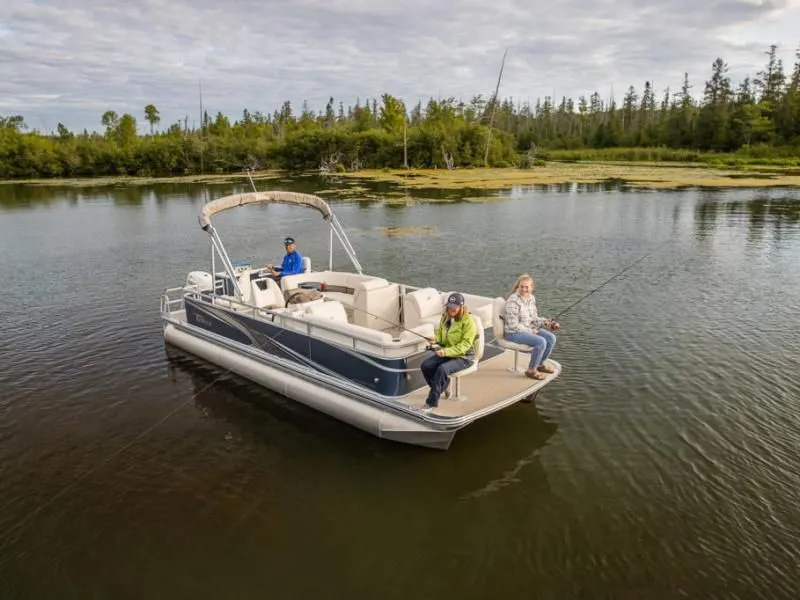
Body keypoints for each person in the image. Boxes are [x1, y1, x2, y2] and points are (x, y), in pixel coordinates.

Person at [417, 292, 477, 412]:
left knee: (442, 369)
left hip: (464, 357)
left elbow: (465, 345)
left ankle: (431, 403)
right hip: (449, 352)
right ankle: (443, 388)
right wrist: (436, 339)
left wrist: (445, 352)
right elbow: (441, 335)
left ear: (461, 307)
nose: (451, 309)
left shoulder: (469, 321)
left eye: (455, 307)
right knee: (426, 366)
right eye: (449, 306)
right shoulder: (445, 317)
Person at [502, 273, 557, 380]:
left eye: (526, 287)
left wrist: (544, 322)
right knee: (541, 342)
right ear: (518, 286)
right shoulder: (512, 301)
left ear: (531, 288)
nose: (524, 289)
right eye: (521, 286)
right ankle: (531, 370)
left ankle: (540, 364)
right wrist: (530, 331)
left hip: (528, 329)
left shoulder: (531, 298)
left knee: (551, 338)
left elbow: (533, 318)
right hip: (513, 333)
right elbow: (513, 325)